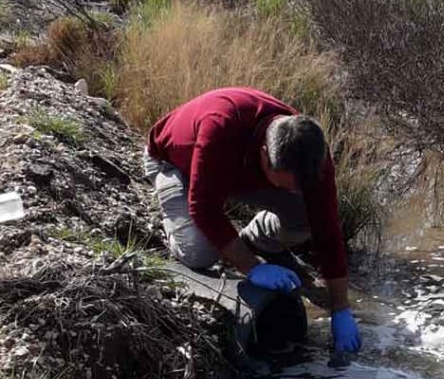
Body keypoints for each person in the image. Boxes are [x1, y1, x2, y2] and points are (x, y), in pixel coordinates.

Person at [143, 87, 362, 354]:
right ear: (264, 156)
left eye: (299, 187)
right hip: (174, 164)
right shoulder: (220, 129)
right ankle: (173, 226)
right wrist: (251, 267)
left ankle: (259, 238)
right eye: (288, 185)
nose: (294, 192)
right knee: (201, 254)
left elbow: (327, 228)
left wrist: (341, 309)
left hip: (235, 174)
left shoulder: (311, 152)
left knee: (305, 216)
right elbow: (203, 208)